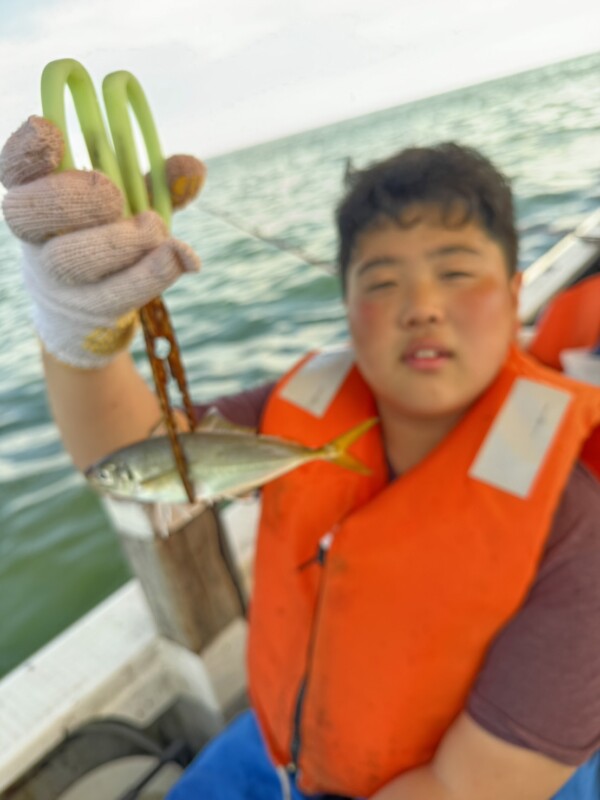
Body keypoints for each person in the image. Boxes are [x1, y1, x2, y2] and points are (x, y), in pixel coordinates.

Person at [1, 118, 600, 800]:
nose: (422, 307)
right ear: (345, 307)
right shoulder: (305, 402)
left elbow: (468, 785)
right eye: (381, 282)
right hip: (286, 737)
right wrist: (75, 334)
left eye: (458, 272)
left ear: (516, 294)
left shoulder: (577, 526)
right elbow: (133, 453)